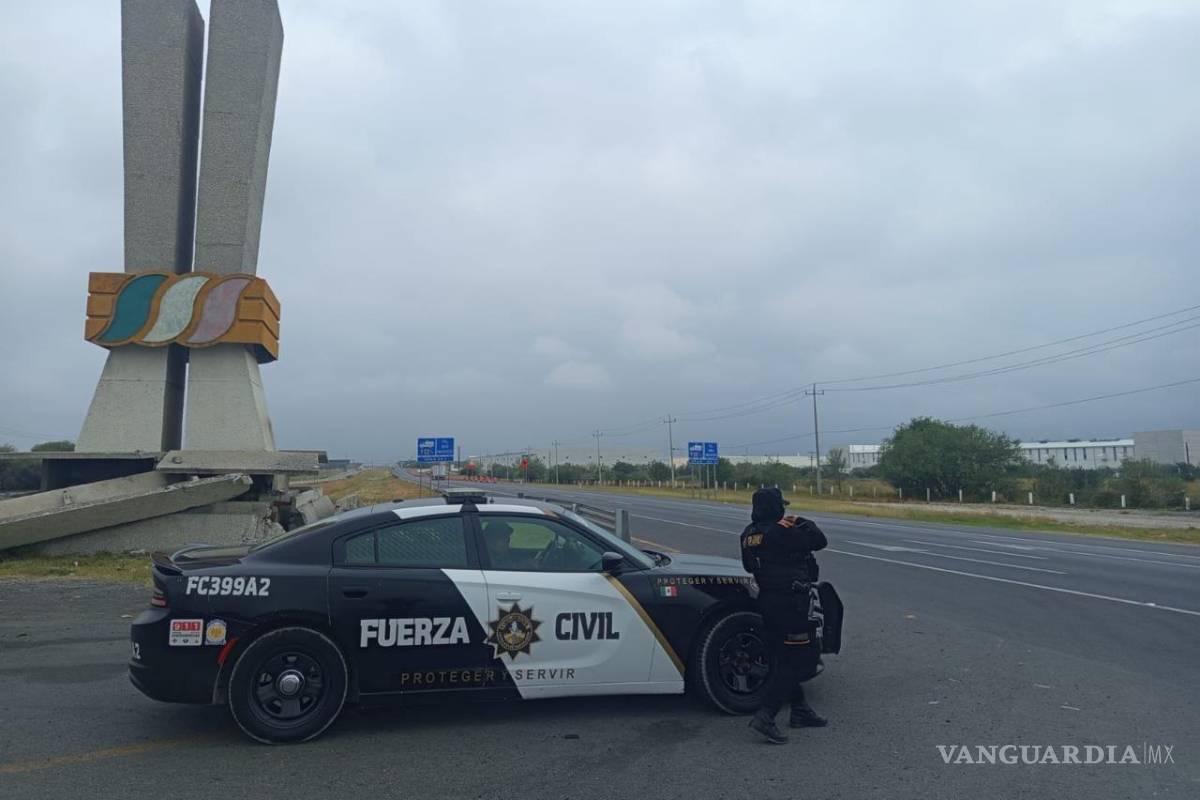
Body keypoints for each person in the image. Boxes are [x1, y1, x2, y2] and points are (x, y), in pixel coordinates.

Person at [741, 486, 830, 744]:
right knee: (803, 659)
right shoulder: (785, 532)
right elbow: (820, 541)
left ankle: (800, 710)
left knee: (783, 657)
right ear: (776, 508)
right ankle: (766, 715)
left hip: (768, 601)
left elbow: (749, 565)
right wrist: (801, 522)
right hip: (792, 604)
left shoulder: (748, 535)